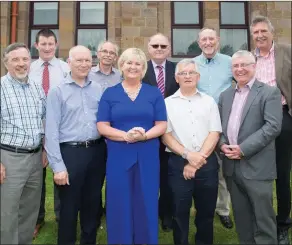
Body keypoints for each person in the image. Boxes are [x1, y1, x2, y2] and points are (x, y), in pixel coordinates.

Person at [97, 48, 167, 244]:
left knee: (146, 199)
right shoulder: (110, 94)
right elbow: (102, 125)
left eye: (138, 63)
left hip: (147, 154)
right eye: (129, 63)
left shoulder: (153, 93)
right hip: (119, 155)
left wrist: (144, 136)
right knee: (119, 201)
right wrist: (125, 135)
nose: (133, 67)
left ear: (143, 68)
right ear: (121, 66)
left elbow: (162, 124)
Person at [218, 50, 282, 244]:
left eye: (244, 65)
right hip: (231, 167)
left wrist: (243, 149)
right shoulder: (225, 95)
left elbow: (273, 127)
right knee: (242, 219)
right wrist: (222, 146)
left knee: (263, 221)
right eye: (235, 66)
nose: (240, 69)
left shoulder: (269, 92)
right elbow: (219, 128)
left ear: (254, 66)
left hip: (257, 166)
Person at [45, 45, 106, 245]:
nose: (84, 64)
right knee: (69, 208)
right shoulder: (57, 92)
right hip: (70, 153)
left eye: (87, 60)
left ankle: (89, 241)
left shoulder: (98, 89)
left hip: (96, 152)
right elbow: (51, 131)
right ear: (69, 62)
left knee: (92, 204)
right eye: (78, 60)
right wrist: (58, 166)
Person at [162, 59, 222, 244]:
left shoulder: (209, 101)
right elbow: (166, 136)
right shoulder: (167, 103)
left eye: (191, 73)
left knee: (206, 213)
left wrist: (197, 159)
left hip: (207, 163)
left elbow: (215, 132)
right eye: (183, 73)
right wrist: (189, 156)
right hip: (178, 163)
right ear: (176, 78)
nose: (187, 76)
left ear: (198, 77)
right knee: (179, 213)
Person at [250, 15, 292, 244]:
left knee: (283, 174)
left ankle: (283, 222)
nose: (260, 36)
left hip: (284, 117)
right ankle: (261, 219)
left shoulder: (286, 51)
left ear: (272, 32)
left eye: (263, 31)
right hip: (256, 121)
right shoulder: (247, 56)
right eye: (256, 32)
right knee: (258, 173)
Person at [0, 43, 46, 244]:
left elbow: (43, 120)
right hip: (10, 159)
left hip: (35, 158)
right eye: (15, 60)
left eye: (25, 59)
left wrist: (44, 148)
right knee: (7, 212)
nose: (21, 64)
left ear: (31, 61)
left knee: (29, 210)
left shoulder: (37, 87)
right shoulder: (1, 87)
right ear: (6, 63)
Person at [29, 28, 70, 238]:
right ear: (36, 45)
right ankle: (37, 219)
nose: (46, 47)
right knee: (37, 180)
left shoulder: (65, 69)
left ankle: (63, 217)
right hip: (35, 130)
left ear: (56, 45)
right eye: (42, 44)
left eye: (50, 43)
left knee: (60, 174)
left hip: (61, 131)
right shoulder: (29, 69)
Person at [194, 27, 234, 229]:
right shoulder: (192, 64)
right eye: (204, 39)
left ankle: (223, 209)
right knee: (200, 166)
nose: (208, 42)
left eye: (211, 38)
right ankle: (201, 207)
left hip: (225, 123)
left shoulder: (229, 62)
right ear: (199, 42)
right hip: (199, 125)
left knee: (223, 170)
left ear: (217, 40)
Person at [143, 33, 179, 231]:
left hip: (172, 133)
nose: (159, 49)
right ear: (148, 48)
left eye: (163, 46)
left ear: (169, 49)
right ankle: (148, 214)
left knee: (168, 177)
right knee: (148, 178)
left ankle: (166, 214)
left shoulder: (177, 70)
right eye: (155, 45)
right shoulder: (140, 69)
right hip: (146, 133)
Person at [88, 40, 121, 219]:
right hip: (93, 130)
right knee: (96, 175)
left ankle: (111, 209)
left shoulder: (121, 76)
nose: (108, 55)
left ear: (116, 57)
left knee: (114, 175)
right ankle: (95, 210)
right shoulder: (89, 73)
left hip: (115, 131)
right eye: (104, 51)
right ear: (98, 54)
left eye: (112, 52)